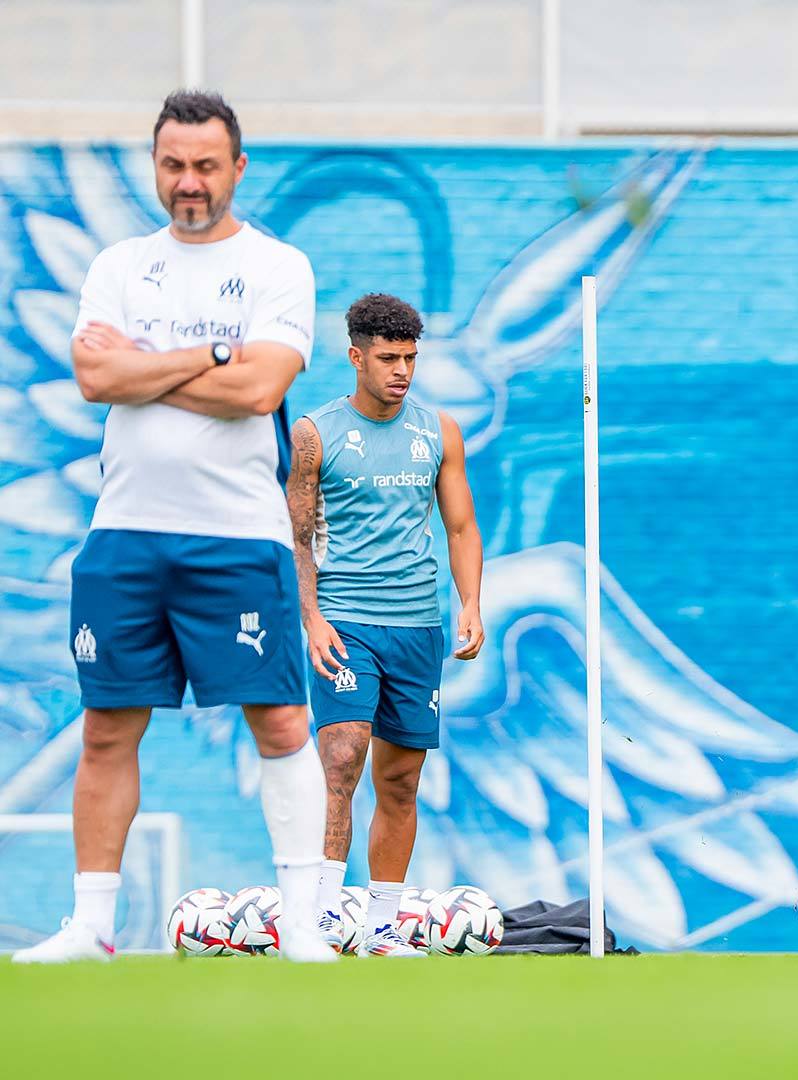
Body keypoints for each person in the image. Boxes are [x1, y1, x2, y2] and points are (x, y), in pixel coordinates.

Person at [17, 90, 333, 963]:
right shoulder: (118, 264)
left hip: (239, 535)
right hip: (124, 532)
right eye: (172, 165)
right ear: (155, 167)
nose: (188, 182)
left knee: (276, 722)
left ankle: (301, 921)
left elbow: (260, 391)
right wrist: (215, 353)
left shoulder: (279, 266)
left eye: (204, 165)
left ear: (237, 167)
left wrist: (144, 369)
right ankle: (92, 927)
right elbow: (91, 376)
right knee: (108, 726)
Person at [286, 293, 485, 957]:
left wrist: (470, 602)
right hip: (346, 623)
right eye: (389, 357)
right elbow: (297, 536)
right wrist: (310, 618)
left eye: (410, 358)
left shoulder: (440, 432)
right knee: (342, 757)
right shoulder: (316, 434)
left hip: (418, 628)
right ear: (355, 356)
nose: (402, 370)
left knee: (400, 781)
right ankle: (315, 916)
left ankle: (380, 926)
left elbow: (460, 524)